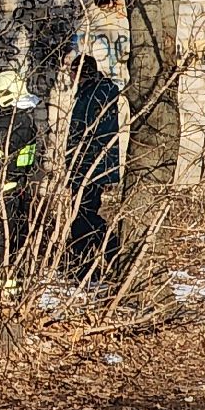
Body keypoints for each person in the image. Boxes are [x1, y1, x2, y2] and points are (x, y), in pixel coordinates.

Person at [0, 69, 42, 292]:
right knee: (13, 238)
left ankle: (0, 287)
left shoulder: (8, 125)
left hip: (0, 194)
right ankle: (12, 284)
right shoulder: (26, 121)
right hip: (18, 189)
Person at [67, 55, 121, 270]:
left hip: (89, 167)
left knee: (83, 215)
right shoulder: (97, 92)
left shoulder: (91, 96)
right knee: (85, 213)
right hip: (95, 166)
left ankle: (105, 255)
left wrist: (74, 168)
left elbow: (83, 135)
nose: (70, 77)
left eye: (72, 72)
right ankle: (87, 260)